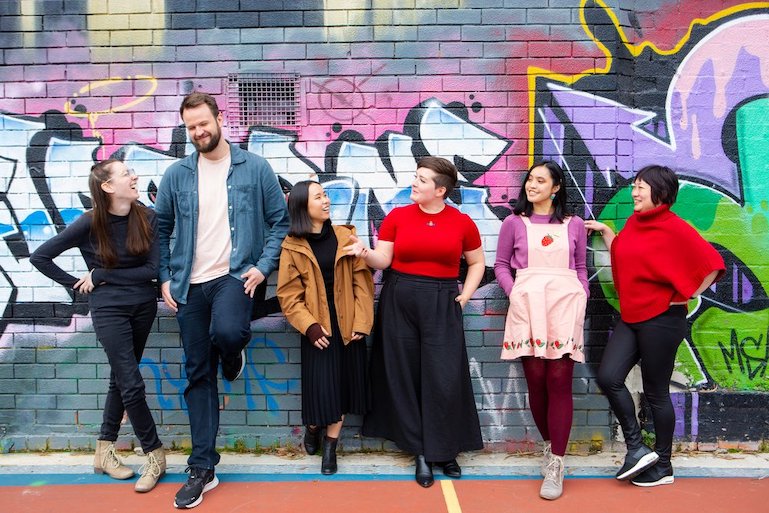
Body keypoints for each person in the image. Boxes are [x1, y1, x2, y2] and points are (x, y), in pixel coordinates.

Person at [155, 92, 289, 509]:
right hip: (189, 285)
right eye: (191, 127)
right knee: (198, 373)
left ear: (219, 118)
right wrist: (164, 277)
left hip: (234, 276)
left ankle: (233, 353)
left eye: (203, 123)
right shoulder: (176, 174)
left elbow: (280, 221)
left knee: (229, 332)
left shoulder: (255, 167)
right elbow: (160, 228)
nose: (198, 132)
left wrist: (263, 267)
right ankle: (202, 467)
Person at [345, 156, 485, 488]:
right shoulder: (397, 217)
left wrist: (465, 295)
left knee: (444, 377)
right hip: (399, 300)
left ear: (440, 190)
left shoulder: (462, 222)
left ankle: (445, 450)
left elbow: (477, 262)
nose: (414, 182)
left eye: (422, 179)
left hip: (442, 302)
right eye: (415, 176)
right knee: (405, 376)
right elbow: (384, 260)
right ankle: (421, 451)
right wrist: (365, 253)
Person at [30, 159, 166, 493]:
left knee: (120, 380)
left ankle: (104, 452)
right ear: (107, 186)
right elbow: (40, 257)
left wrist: (101, 274)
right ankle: (155, 454)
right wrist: (76, 283)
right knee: (131, 383)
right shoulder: (89, 223)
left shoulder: (147, 217)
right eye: (126, 174)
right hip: (108, 309)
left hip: (143, 306)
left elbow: (152, 270)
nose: (134, 177)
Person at [585, 165, 724, 487]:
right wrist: (607, 233)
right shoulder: (635, 222)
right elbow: (626, 254)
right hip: (633, 316)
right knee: (609, 377)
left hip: (663, 319)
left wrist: (684, 294)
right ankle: (637, 449)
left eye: (641, 187)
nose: (634, 192)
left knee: (656, 393)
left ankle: (663, 465)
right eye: (634, 186)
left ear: (660, 192)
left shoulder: (675, 228)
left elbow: (712, 265)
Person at [494, 160, 588, 500]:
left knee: (559, 379)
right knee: (536, 380)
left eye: (540, 181)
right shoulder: (513, 222)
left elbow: (581, 266)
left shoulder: (574, 224)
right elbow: (501, 265)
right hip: (528, 304)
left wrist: (582, 294)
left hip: (565, 304)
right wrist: (514, 292)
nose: (532, 185)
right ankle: (550, 447)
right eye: (530, 180)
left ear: (556, 187)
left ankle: (557, 463)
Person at [276, 181, 374, 475]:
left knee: (342, 389)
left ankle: (330, 446)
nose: (326, 200)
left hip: (348, 324)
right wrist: (310, 327)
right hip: (318, 327)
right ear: (303, 206)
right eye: (319, 197)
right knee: (323, 389)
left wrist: (361, 322)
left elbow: (363, 284)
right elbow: (288, 295)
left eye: (326, 195)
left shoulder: (346, 236)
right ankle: (313, 427)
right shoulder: (292, 246)